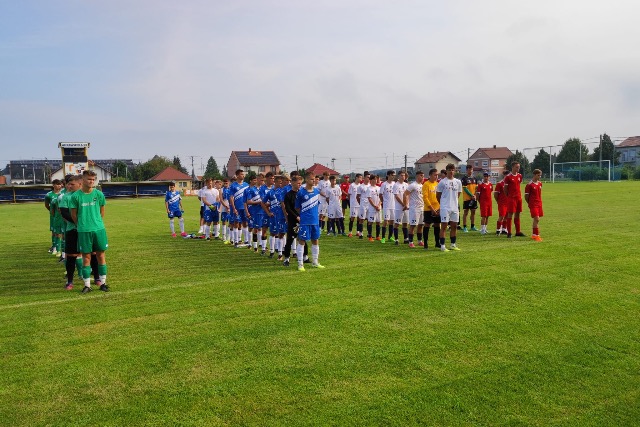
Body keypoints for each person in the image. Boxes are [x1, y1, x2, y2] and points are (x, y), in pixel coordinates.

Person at [69, 170, 109, 293]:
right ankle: (87, 285)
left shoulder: (99, 194)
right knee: (86, 257)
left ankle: (103, 283)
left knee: (101, 255)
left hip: (99, 229)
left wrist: (96, 222)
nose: (91, 182)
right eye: (88, 179)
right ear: (82, 180)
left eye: (93, 179)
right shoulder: (76, 196)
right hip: (84, 231)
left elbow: (102, 212)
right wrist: (82, 224)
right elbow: (74, 215)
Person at [295, 172, 325, 271]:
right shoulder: (301, 192)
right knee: (302, 241)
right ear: (307, 180)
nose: (314, 181)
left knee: (315, 241)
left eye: (315, 179)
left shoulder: (316, 191)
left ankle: (315, 262)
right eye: (312, 179)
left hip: (315, 221)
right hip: (305, 222)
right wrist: (304, 216)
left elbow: (317, 205)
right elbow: (297, 208)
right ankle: (300, 264)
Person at [282, 175, 309, 266]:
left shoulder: (302, 193)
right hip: (293, 220)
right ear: (292, 183)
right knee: (290, 239)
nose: (299, 185)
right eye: (298, 183)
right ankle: (286, 258)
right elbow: (288, 209)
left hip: (303, 219)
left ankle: (305, 257)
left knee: (303, 238)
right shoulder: (288, 195)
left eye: (301, 183)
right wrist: (296, 217)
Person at [436, 164, 462, 251]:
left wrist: (453, 202)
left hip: (454, 207)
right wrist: (443, 204)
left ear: (454, 171)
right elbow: (438, 195)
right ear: (446, 171)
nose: (451, 171)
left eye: (453, 170)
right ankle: (442, 246)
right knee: (444, 226)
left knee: (454, 226)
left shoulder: (458, 182)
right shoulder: (442, 182)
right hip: (445, 207)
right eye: (449, 170)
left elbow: (458, 194)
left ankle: (453, 244)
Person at [503, 162, 526, 238]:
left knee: (518, 213)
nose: (518, 168)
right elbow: (505, 189)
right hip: (511, 198)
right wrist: (508, 196)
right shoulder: (508, 177)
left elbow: (518, 185)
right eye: (516, 167)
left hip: (518, 198)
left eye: (518, 167)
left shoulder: (520, 176)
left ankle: (518, 231)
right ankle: (509, 232)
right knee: (510, 214)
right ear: (512, 167)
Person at [403, 171, 425, 248]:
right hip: (414, 208)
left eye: (423, 176)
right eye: (421, 176)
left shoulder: (422, 185)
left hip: (422, 207)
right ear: (417, 176)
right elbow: (405, 194)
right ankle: (411, 242)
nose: (423, 177)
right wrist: (405, 204)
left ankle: (420, 241)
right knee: (413, 225)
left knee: (421, 225)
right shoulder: (412, 185)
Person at [422, 168, 441, 250]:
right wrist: (432, 209)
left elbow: (441, 196)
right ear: (430, 175)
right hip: (429, 209)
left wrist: (439, 208)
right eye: (435, 175)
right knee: (427, 225)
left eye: (437, 175)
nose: (436, 176)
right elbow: (425, 198)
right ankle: (425, 243)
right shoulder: (426, 184)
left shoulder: (438, 184)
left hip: (437, 208)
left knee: (437, 225)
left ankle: (437, 243)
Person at [229, 170, 249, 246]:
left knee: (245, 223)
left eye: (243, 174)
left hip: (245, 208)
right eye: (241, 174)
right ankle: (236, 241)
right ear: (237, 175)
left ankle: (246, 240)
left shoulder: (246, 185)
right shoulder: (233, 185)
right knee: (236, 223)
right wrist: (234, 208)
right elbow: (231, 198)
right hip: (237, 208)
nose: (243, 175)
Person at [244, 174, 263, 251]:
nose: (255, 181)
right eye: (254, 180)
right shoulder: (248, 190)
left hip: (261, 211)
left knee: (260, 228)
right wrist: (247, 212)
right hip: (252, 211)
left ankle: (261, 244)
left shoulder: (262, 189)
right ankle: (250, 244)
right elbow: (245, 202)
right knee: (251, 227)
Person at [44, 179, 64, 255]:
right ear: (53, 185)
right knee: (54, 232)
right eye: (57, 184)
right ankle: (54, 247)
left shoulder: (63, 193)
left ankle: (60, 249)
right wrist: (52, 212)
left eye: (60, 184)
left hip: (62, 216)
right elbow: (46, 205)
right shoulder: (49, 195)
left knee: (62, 233)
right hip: (54, 216)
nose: (59, 185)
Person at [525, 169, 544, 241]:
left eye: (540, 175)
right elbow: (526, 196)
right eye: (538, 175)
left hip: (539, 203)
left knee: (537, 220)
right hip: (533, 204)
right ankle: (537, 235)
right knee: (537, 218)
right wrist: (530, 203)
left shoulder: (540, 183)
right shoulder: (529, 185)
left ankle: (533, 235)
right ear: (534, 175)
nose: (540, 177)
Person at [379, 170, 396, 243]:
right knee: (386, 221)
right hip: (386, 206)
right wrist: (384, 202)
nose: (393, 176)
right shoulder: (384, 184)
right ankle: (383, 238)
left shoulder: (395, 184)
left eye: (394, 175)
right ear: (388, 175)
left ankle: (390, 237)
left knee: (392, 222)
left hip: (394, 205)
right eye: (392, 175)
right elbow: (380, 194)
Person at [393, 171, 409, 245]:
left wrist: (406, 204)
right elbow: (396, 196)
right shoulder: (396, 185)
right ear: (398, 176)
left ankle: (406, 238)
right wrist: (403, 204)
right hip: (399, 207)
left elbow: (408, 195)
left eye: (404, 175)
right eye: (402, 175)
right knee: (397, 223)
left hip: (406, 207)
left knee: (405, 223)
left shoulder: (406, 185)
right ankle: (396, 239)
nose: (403, 177)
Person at [461, 164, 478, 232]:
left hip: (474, 198)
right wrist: (471, 195)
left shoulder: (474, 179)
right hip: (467, 199)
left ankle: (472, 226)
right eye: (468, 170)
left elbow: (476, 188)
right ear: (466, 170)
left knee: (473, 212)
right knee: (466, 212)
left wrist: (475, 195)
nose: (470, 171)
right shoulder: (464, 179)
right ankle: (465, 227)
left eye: (471, 169)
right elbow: (465, 189)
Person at [493, 170, 510, 235]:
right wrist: (498, 201)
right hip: (502, 203)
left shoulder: (510, 183)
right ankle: (498, 230)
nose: (507, 176)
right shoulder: (500, 183)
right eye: (506, 175)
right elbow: (495, 195)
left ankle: (504, 229)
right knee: (502, 216)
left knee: (506, 216)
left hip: (508, 202)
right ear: (504, 175)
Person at [366, 175, 382, 241]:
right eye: (374, 179)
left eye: (376, 179)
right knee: (370, 222)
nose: (376, 180)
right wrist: (374, 206)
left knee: (378, 222)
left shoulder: (379, 188)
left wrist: (378, 205)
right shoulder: (369, 189)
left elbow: (381, 198)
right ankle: (370, 236)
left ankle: (377, 236)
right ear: (371, 180)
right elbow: (369, 199)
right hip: (372, 208)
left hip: (378, 207)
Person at [356, 173, 371, 239]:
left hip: (369, 205)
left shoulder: (370, 186)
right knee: (361, 219)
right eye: (367, 177)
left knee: (369, 219)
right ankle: (361, 233)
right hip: (363, 205)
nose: (369, 178)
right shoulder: (360, 186)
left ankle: (368, 233)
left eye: (369, 177)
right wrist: (361, 203)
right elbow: (357, 196)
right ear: (364, 178)